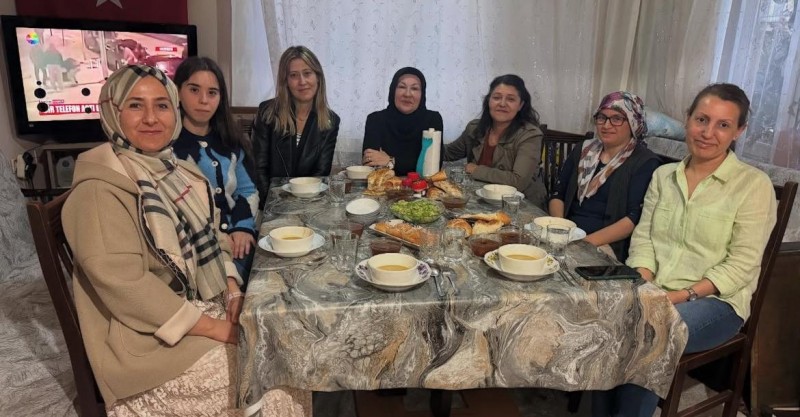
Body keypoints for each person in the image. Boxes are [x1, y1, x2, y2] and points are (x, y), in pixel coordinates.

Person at [62, 65, 310, 416]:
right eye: (135, 105)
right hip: (144, 347)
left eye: (162, 105)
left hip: (197, 306)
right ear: (112, 112)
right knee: (276, 376)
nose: (151, 118)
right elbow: (129, 288)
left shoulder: (176, 171)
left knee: (288, 350)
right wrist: (218, 329)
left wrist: (232, 291)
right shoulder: (99, 192)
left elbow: (213, 234)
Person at [592, 83, 777, 417]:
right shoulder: (664, 176)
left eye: (723, 125)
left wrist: (677, 296)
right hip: (656, 288)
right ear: (688, 119)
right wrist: (645, 281)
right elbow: (644, 239)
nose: (708, 132)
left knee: (651, 333)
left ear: (739, 131)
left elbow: (742, 265)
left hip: (717, 301)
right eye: (701, 120)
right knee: (606, 317)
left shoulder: (753, 185)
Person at [173, 56, 259, 288]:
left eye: (212, 93)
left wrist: (242, 227)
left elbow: (247, 190)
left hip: (238, 236)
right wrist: (220, 240)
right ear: (177, 92)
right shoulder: (169, 148)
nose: (204, 100)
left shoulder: (231, 141)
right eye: (194, 90)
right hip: (197, 247)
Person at [548, 92, 660, 261]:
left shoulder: (644, 162)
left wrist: (583, 244)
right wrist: (560, 230)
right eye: (602, 117)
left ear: (633, 123)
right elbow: (558, 194)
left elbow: (633, 219)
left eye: (616, 119)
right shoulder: (583, 150)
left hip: (606, 245)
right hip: (567, 237)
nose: (606, 125)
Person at [252, 46, 340, 205]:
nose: (302, 82)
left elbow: (320, 174)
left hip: (308, 204)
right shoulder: (267, 112)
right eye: (293, 75)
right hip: (270, 204)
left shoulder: (331, 121)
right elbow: (259, 169)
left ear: (318, 77)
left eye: (307, 73)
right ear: (285, 81)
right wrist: (273, 206)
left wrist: (300, 209)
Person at [443, 74, 547, 206]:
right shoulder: (474, 128)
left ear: (520, 105)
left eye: (510, 99)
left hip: (521, 205)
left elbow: (518, 181)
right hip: (481, 201)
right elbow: (448, 153)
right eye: (497, 97)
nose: (502, 104)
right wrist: (425, 139)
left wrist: (476, 170)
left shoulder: (530, 135)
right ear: (488, 101)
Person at [362, 67, 444, 175]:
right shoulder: (375, 119)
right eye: (402, 87)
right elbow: (371, 163)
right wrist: (412, 163)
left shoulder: (433, 119)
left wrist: (390, 161)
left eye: (414, 88)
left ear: (422, 94)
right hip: (382, 184)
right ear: (393, 91)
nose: (407, 94)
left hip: (421, 185)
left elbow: (432, 167)